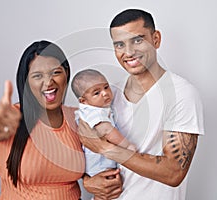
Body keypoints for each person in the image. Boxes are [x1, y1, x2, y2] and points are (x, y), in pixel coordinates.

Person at [78, 9, 205, 200]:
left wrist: (105, 148)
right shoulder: (109, 95)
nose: (128, 52)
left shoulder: (181, 94)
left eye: (137, 40)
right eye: (120, 44)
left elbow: (173, 172)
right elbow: (87, 147)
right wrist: (88, 181)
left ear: (156, 39)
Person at [0, 40, 122, 200]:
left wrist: (88, 181)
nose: (48, 82)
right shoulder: (11, 117)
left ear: (66, 74)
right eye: (38, 76)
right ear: (27, 82)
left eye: (56, 72)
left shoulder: (80, 118)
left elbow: (94, 161)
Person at [71, 69, 136, 179]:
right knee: (109, 186)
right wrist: (127, 145)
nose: (105, 93)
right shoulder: (95, 114)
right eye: (97, 93)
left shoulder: (94, 108)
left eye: (106, 87)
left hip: (99, 163)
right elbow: (107, 131)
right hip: (100, 165)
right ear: (83, 101)